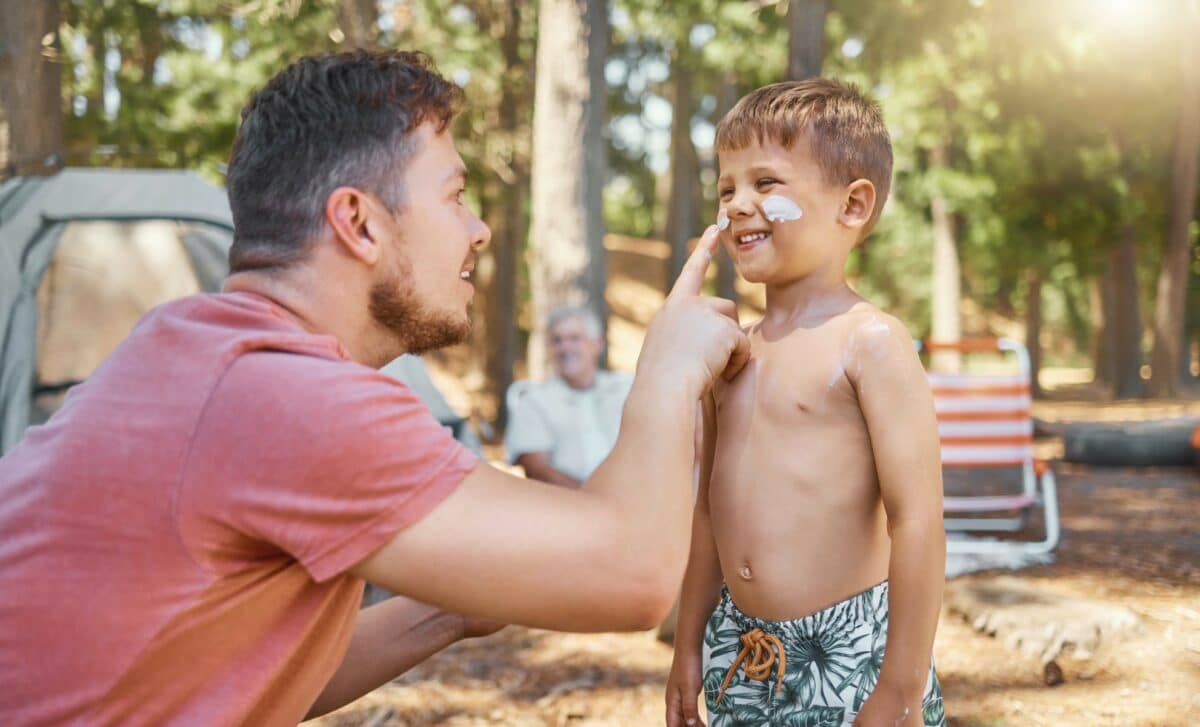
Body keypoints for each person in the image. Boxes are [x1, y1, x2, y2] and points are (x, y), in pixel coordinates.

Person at [0, 50, 749, 726]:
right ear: (358, 222)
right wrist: (669, 366)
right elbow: (634, 576)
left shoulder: (197, 349)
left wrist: (456, 605)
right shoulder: (287, 397)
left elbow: (247, 674)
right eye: (454, 195)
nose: (480, 228)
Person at [665, 79, 947, 727]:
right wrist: (687, 644)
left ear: (852, 206)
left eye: (766, 184)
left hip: (850, 659)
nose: (738, 204)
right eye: (726, 188)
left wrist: (900, 683)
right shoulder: (730, 353)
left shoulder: (869, 343)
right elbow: (708, 514)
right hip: (741, 649)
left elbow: (918, 519)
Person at [505, 306, 633, 487]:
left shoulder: (626, 388)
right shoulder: (533, 401)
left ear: (597, 344)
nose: (565, 348)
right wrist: (593, 500)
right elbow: (536, 469)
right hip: (569, 505)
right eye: (557, 341)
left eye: (575, 338)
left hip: (635, 496)